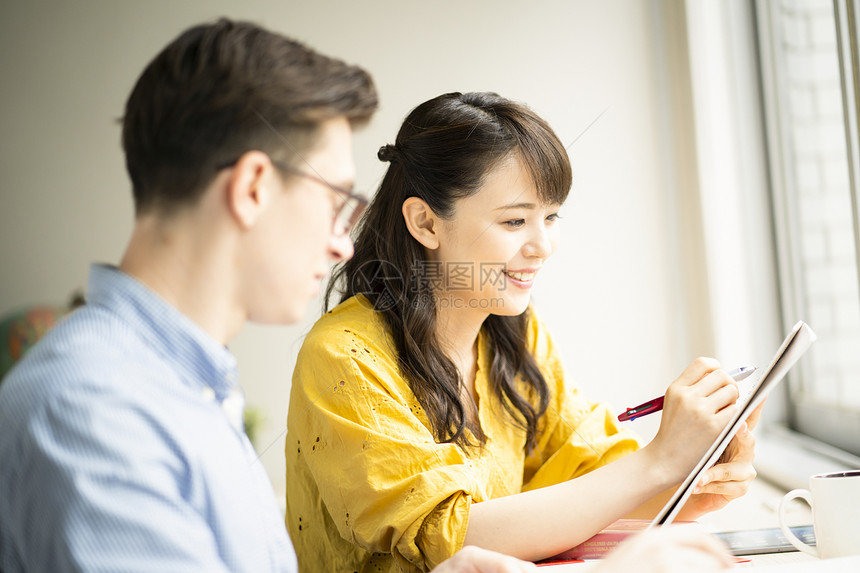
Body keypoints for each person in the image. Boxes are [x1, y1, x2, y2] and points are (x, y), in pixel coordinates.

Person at [0, 18, 735, 573]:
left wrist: (689, 471)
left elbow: (576, 474)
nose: (343, 241)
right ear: (254, 187)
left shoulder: (184, 387)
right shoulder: (94, 409)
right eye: (332, 198)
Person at [285, 91, 759, 571]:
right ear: (426, 222)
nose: (543, 246)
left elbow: (584, 485)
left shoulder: (515, 336)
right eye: (515, 220)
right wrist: (658, 462)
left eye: (550, 217)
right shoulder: (344, 357)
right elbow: (450, 541)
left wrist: (694, 478)